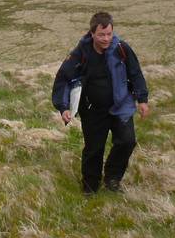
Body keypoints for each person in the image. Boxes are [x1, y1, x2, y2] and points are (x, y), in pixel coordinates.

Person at [51, 11, 150, 194]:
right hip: (92, 110)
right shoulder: (81, 53)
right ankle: (90, 186)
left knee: (127, 142)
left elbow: (135, 73)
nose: (106, 39)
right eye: (101, 35)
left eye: (109, 34)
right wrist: (63, 107)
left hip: (121, 107)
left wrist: (142, 99)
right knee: (94, 149)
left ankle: (112, 178)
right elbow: (63, 78)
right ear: (92, 34)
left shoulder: (122, 49)